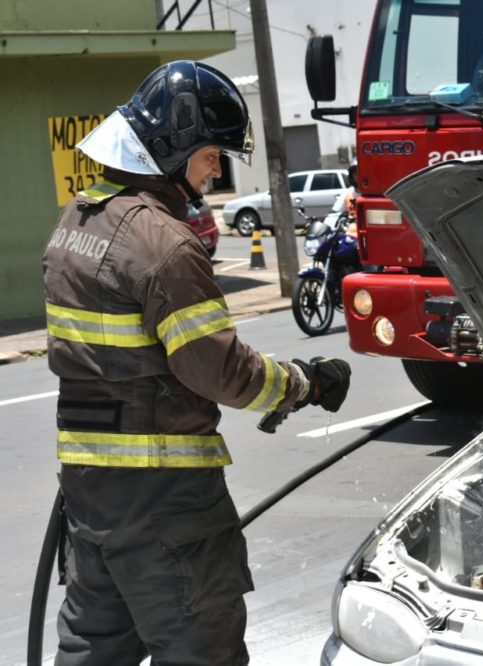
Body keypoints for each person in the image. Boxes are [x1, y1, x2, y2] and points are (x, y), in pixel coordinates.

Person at [41, 60, 351, 665]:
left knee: (94, 650)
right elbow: (217, 371)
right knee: (202, 653)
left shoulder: (73, 223)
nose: (216, 173)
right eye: (212, 156)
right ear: (173, 147)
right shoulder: (165, 244)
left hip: (91, 491)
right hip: (167, 500)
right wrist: (304, 384)